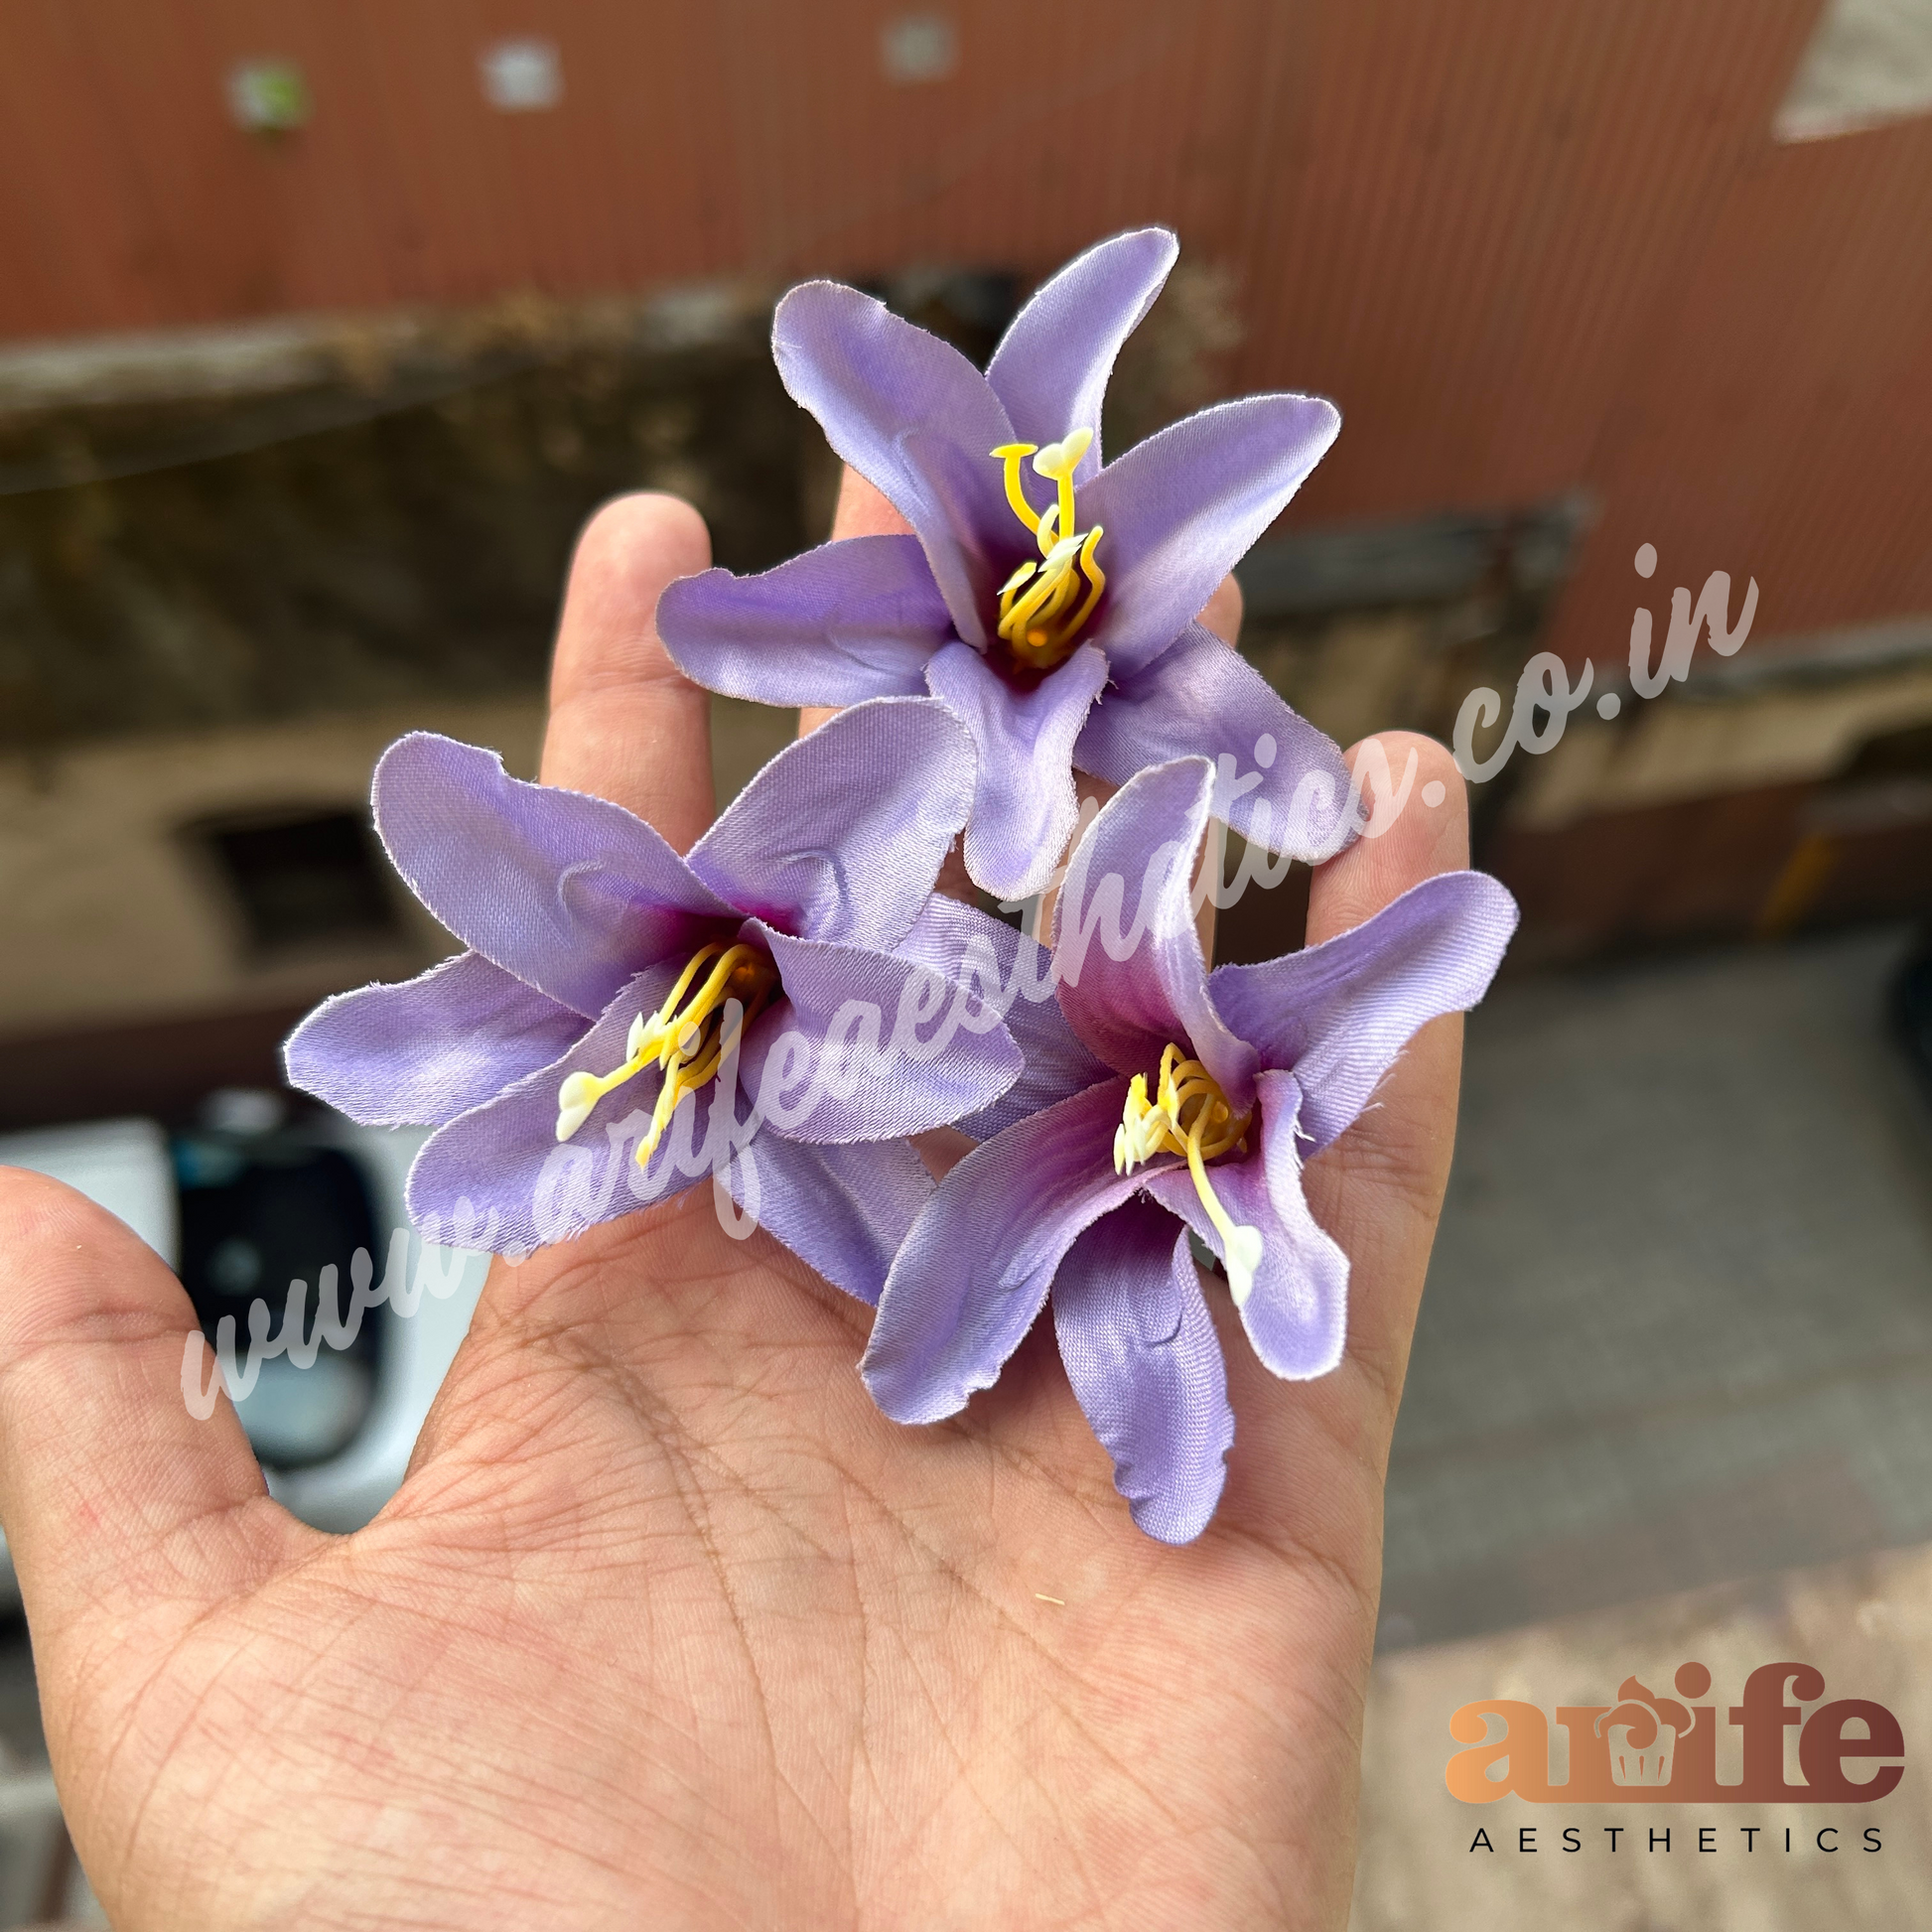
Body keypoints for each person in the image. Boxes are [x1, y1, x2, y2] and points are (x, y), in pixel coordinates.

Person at [0, 473, 1470, 1930]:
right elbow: (881, 1111)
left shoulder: (907, 1027)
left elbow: (934, 954)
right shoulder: (745, 1087)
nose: (691, 1026)